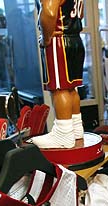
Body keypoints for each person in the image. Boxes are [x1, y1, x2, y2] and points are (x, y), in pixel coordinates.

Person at [29, 0, 85, 149]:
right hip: (75, 39)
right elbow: (81, 13)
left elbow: (49, 11)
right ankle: (75, 128)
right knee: (71, 88)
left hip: (59, 40)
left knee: (60, 88)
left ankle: (63, 133)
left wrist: (46, 38)